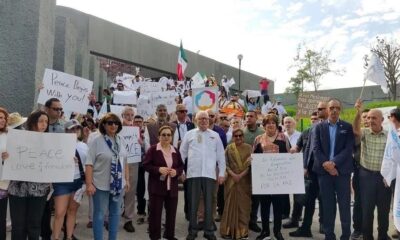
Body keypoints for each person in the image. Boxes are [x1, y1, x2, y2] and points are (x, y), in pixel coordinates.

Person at [313, 98, 354, 240]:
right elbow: (316, 149)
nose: (334, 110)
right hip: (324, 174)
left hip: (342, 173)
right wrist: (327, 165)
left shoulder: (347, 127)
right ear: (327, 110)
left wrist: (334, 163)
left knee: (344, 206)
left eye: (337, 107)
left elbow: (348, 149)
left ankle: (346, 236)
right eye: (332, 108)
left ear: (340, 109)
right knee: (328, 207)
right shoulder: (318, 127)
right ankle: (329, 236)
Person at [180, 111, 225, 240]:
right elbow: (182, 155)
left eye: (206, 119)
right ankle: (192, 231)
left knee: (210, 203)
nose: (204, 121)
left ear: (209, 120)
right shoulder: (189, 134)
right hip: (193, 174)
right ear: (196, 120)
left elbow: (221, 156)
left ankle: (209, 231)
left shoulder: (215, 135)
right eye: (201, 119)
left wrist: (221, 173)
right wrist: (182, 172)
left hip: (210, 174)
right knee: (193, 203)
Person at [85, 113, 130, 240]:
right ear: (104, 125)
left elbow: (125, 160)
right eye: (110, 123)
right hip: (100, 185)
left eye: (116, 123)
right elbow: (89, 163)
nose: (113, 125)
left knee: (115, 214)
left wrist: (126, 179)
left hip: (118, 185)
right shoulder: (97, 141)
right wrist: (89, 184)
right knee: (99, 215)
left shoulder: (121, 140)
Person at [7, 110, 51, 240]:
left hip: (40, 191)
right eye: (41, 121)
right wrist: (5, 156)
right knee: (18, 225)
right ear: (32, 122)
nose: (44, 124)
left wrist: (68, 161)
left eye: (46, 122)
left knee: (34, 225)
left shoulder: (51, 142)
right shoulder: (17, 137)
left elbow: (56, 161)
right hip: (17, 189)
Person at [353, 99, 391, 240]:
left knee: (383, 210)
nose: (370, 120)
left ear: (382, 120)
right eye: (368, 117)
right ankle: (367, 237)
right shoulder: (364, 133)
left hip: (384, 179)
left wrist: (390, 176)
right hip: (366, 177)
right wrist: (358, 113)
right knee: (367, 210)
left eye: (374, 118)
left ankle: (382, 235)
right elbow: (355, 130)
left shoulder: (389, 136)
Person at [289, 103, 328, 238]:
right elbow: (306, 149)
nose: (317, 114)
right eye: (317, 111)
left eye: (320, 110)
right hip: (311, 172)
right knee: (309, 200)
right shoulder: (309, 130)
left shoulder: (333, 127)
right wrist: (305, 166)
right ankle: (305, 227)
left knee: (324, 199)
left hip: (326, 171)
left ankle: (324, 224)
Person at [143, 125, 184, 240]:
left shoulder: (175, 150)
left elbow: (181, 166)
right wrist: (158, 169)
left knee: (171, 214)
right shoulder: (153, 149)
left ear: (171, 137)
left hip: (172, 188)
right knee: (155, 215)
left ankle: (169, 235)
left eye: (168, 135)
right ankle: (155, 237)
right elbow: (146, 165)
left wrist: (176, 172)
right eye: (163, 135)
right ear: (159, 136)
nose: (166, 137)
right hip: (157, 188)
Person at [253, 114, 290, 240]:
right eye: (267, 123)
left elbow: (290, 156)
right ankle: (265, 231)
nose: (270, 125)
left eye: (273, 123)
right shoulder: (258, 139)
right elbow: (254, 158)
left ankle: (277, 231)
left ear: (276, 124)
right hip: (264, 179)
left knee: (278, 207)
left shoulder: (283, 138)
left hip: (278, 179)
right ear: (264, 126)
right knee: (264, 206)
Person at [52, 119, 88, 240]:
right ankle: (56, 237)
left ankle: (68, 237)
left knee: (72, 212)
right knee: (59, 213)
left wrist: (87, 182)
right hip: (62, 182)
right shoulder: (58, 145)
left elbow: (89, 165)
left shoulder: (84, 146)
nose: (75, 131)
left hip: (78, 182)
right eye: (71, 128)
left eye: (77, 128)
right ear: (66, 131)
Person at [219, 128, 252, 240]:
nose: (238, 138)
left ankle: (242, 231)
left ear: (243, 136)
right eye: (236, 136)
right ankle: (227, 230)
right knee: (229, 206)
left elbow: (250, 165)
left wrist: (240, 175)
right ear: (233, 137)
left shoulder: (249, 148)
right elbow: (225, 164)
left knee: (243, 207)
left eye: (240, 135)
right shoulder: (229, 148)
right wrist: (233, 175)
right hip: (231, 181)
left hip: (244, 182)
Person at [171, 104, 195, 220]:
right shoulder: (173, 125)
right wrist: (178, 142)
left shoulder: (192, 125)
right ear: (177, 113)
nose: (184, 113)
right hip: (176, 159)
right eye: (181, 111)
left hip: (190, 159)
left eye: (185, 111)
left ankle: (188, 212)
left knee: (189, 187)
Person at [242, 110, 264, 233]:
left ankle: (253, 221)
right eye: (247, 116)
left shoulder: (262, 132)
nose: (248, 118)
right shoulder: (240, 132)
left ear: (256, 118)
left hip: (258, 169)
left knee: (256, 197)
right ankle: (243, 220)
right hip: (243, 169)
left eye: (251, 116)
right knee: (244, 196)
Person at [351, 108, 370, 240]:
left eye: (369, 117)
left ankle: (369, 230)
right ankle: (357, 229)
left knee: (374, 203)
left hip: (376, 173)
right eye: (364, 117)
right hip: (359, 171)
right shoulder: (360, 134)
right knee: (358, 202)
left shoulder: (382, 133)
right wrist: (357, 114)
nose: (367, 119)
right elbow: (355, 131)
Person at [120, 107, 139, 233]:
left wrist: (140, 142)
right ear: (122, 115)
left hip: (132, 162)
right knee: (116, 190)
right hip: (118, 162)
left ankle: (128, 219)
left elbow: (143, 145)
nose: (129, 116)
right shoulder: (116, 126)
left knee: (130, 191)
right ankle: (112, 217)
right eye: (127, 114)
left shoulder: (137, 129)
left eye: (132, 114)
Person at [0, 107, 9, 240]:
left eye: (3, 118)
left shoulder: (9, 136)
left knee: (1, 218)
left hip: (3, 184)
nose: (2, 120)